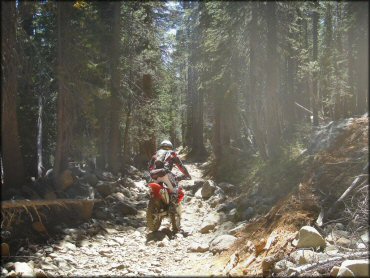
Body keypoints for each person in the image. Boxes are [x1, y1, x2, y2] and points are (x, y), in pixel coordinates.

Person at [148, 140, 191, 210]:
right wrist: (187, 175)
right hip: (165, 173)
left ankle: (157, 205)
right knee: (175, 190)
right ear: (171, 147)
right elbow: (181, 166)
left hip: (154, 175)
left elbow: (150, 168)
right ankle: (173, 207)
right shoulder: (172, 154)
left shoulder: (155, 155)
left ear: (161, 146)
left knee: (153, 193)